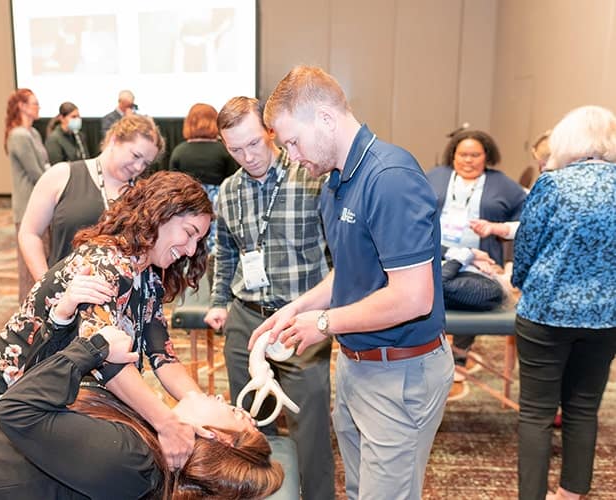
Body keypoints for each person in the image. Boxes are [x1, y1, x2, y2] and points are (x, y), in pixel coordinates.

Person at [258, 65, 454, 499]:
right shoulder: (333, 182)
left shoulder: (389, 179)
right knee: (361, 491)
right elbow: (349, 272)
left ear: (326, 119)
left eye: (293, 141)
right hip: (357, 364)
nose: (291, 155)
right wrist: (300, 307)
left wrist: (323, 324)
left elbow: (414, 296)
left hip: (402, 371)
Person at [0, 171, 214, 469]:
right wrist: (166, 422)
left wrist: (202, 405)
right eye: (189, 232)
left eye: (199, 240)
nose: (191, 250)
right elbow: (105, 359)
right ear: (161, 214)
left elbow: (164, 357)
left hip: (53, 385)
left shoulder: (148, 276)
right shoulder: (103, 262)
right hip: (16, 382)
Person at [0, 330, 284, 499]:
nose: (223, 397)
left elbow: (17, 408)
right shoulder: (146, 440)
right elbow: (47, 394)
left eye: (235, 413)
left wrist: (94, 348)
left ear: (218, 438)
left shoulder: (134, 462)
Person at [203, 96, 334, 500]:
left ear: (270, 132)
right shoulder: (228, 191)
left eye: (254, 144)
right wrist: (218, 301)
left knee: (309, 430)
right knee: (249, 429)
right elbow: (225, 253)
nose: (248, 156)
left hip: (300, 323)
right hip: (247, 320)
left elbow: (338, 255)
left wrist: (330, 312)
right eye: (235, 149)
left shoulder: (311, 179)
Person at [512, 105, 616, 500]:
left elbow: (527, 244)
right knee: (584, 407)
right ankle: (572, 493)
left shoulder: (553, 184)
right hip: (606, 316)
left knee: (537, 413)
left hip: (546, 312)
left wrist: (520, 281)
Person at [19, 114, 164, 282]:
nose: (139, 167)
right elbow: (29, 233)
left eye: (146, 163)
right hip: (63, 296)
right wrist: (46, 285)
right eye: (136, 156)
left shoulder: (142, 195)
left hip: (120, 301)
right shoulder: (62, 175)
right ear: (115, 140)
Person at [427, 130, 527, 371]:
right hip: (436, 252)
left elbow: (525, 219)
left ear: (487, 156)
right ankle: (429, 350)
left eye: (475, 155)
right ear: (453, 155)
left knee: (468, 294)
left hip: (480, 259)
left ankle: (459, 356)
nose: (468, 160)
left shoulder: (502, 183)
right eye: (463, 154)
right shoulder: (435, 176)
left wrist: (496, 229)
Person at [169, 102, 238, 254]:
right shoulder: (224, 150)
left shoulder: (179, 151)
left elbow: (171, 186)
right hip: (218, 207)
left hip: (186, 207)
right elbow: (234, 180)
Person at [4, 88, 50, 303]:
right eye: (34, 103)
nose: (38, 107)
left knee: (42, 261)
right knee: (29, 268)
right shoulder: (19, 135)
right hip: (28, 207)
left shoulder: (33, 133)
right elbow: (36, 173)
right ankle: (27, 313)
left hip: (41, 204)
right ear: (22, 106)